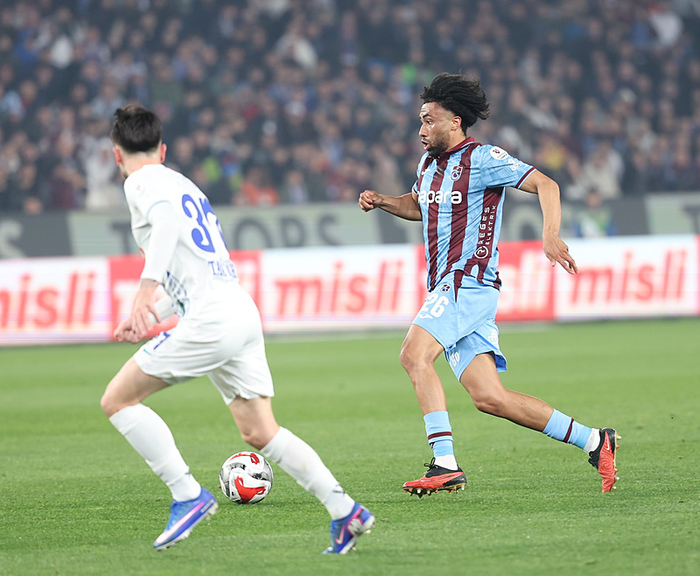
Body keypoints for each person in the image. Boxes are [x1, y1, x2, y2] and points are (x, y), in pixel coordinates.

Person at [101, 105, 374, 553]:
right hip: (237, 310)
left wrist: (144, 293)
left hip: (212, 318)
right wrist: (152, 312)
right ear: (163, 150)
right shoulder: (184, 185)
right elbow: (198, 268)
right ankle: (345, 511)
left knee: (117, 400)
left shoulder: (140, 181)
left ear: (117, 155)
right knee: (261, 431)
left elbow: (165, 226)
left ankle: (187, 495)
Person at [358, 73, 619, 496]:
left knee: (413, 355)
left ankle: (444, 464)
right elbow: (420, 206)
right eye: (420, 121)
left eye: (429, 120)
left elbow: (546, 184)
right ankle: (595, 440)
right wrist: (383, 200)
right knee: (489, 398)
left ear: (455, 122)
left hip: (467, 283)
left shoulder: (483, 159)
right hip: (448, 286)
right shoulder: (427, 165)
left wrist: (550, 234)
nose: (421, 129)